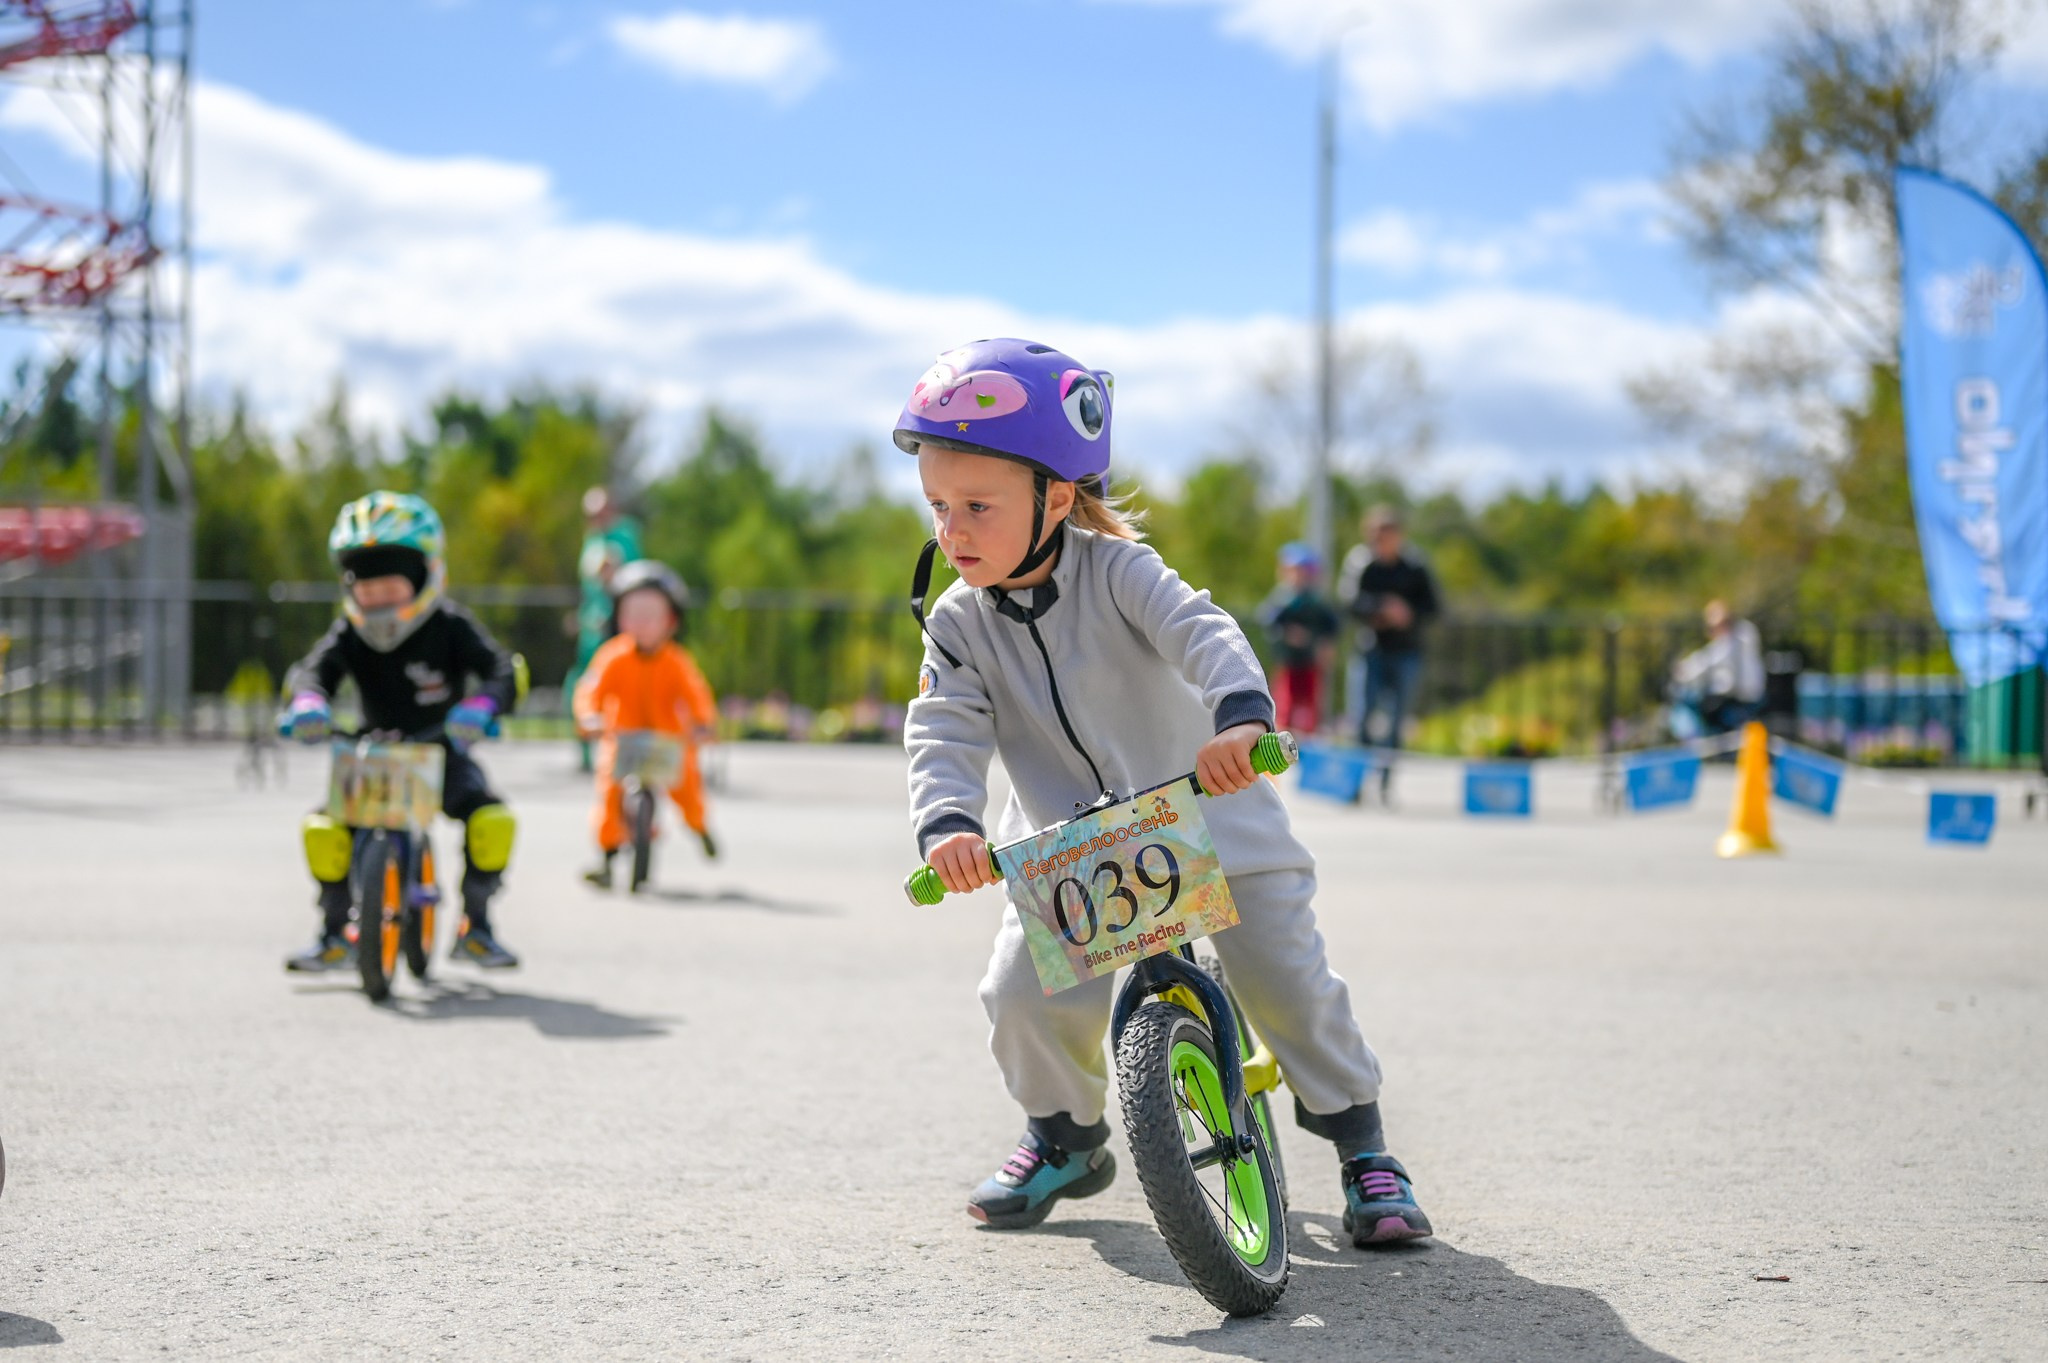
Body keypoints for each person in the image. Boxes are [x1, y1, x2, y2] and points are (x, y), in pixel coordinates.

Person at [898, 338, 1431, 1246]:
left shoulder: (1119, 573)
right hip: (1069, 846)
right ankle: (1065, 1132)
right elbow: (943, 726)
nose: (953, 531)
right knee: (1019, 994)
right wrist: (947, 822)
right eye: (939, 506)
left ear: (1058, 497)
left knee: (1286, 980)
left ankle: (1361, 1143)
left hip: (1208, 809)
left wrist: (1238, 718)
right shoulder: (956, 623)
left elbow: (1203, 629)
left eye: (978, 506)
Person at [278, 491, 523, 971]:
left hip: (442, 747)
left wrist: (483, 704)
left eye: (389, 586)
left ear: (423, 577)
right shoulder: (349, 634)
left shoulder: (449, 625)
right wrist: (308, 702)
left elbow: (502, 668)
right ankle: (334, 932)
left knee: (492, 822)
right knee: (324, 830)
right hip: (371, 753)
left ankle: (476, 925)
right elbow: (313, 671)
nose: (376, 598)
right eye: (365, 587)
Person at [573, 560, 720, 886]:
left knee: (687, 785)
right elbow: (590, 689)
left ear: (671, 620)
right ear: (620, 618)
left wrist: (703, 723)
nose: (642, 623)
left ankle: (698, 826)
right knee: (609, 788)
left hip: (668, 740)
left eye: (651, 616)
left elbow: (697, 694)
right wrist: (589, 716)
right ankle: (608, 855)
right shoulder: (613, 656)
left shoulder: (676, 661)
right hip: (621, 736)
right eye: (633, 614)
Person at [1338, 507, 1439, 752]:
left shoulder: (1415, 566)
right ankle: (1357, 782)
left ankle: (1385, 781)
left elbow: (1434, 607)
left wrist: (1407, 613)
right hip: (1370, 650)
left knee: (1396, 720)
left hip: (1406, 651)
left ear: (1398, 535)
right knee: (1362, 716)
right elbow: (1348, 601)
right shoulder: (1361, 563)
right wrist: (1381, 608)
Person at [568, 487, 643, 773]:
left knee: (624, 688)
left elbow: (624, 576)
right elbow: (590, 588)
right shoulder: (591, 539)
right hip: (592, 628)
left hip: (618, 625)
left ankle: (627, 753)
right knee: (584, 685)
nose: (595, 519)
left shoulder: (624, 536)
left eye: (600, 513)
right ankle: (587, 752)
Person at [1256, 542, 1340, 735]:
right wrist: (1288, 634)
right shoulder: (1282, 599)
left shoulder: (1315, 601)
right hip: (1288, 660)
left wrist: (1326, 646)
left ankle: (1308, 735)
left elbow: (1331, 626)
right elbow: (1269, 622)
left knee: (1309, 702)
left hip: (1310, 660)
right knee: (1286, 699)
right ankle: (1282, 734)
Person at [1671, 599, 1765, 737]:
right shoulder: (1729, 641)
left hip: (1744, 698)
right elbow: (1708, 655)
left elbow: (1709, 659)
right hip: (1733, 697)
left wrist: (1685, 671)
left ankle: (1694, 741)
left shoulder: (1742, 635)